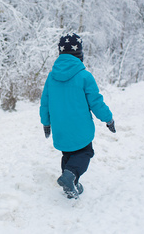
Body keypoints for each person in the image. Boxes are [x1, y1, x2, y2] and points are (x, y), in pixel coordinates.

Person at [40, 33, 116, 199]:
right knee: (84, 152)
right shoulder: (84, 76)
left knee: (67, 155)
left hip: (60, 129)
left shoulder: (51, 78)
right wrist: (108, 118)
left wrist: (46, 124)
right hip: (80, 129)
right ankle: (70, 177)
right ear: (80, 54)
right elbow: (96, 102)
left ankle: (71, 184)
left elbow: (44, 103)